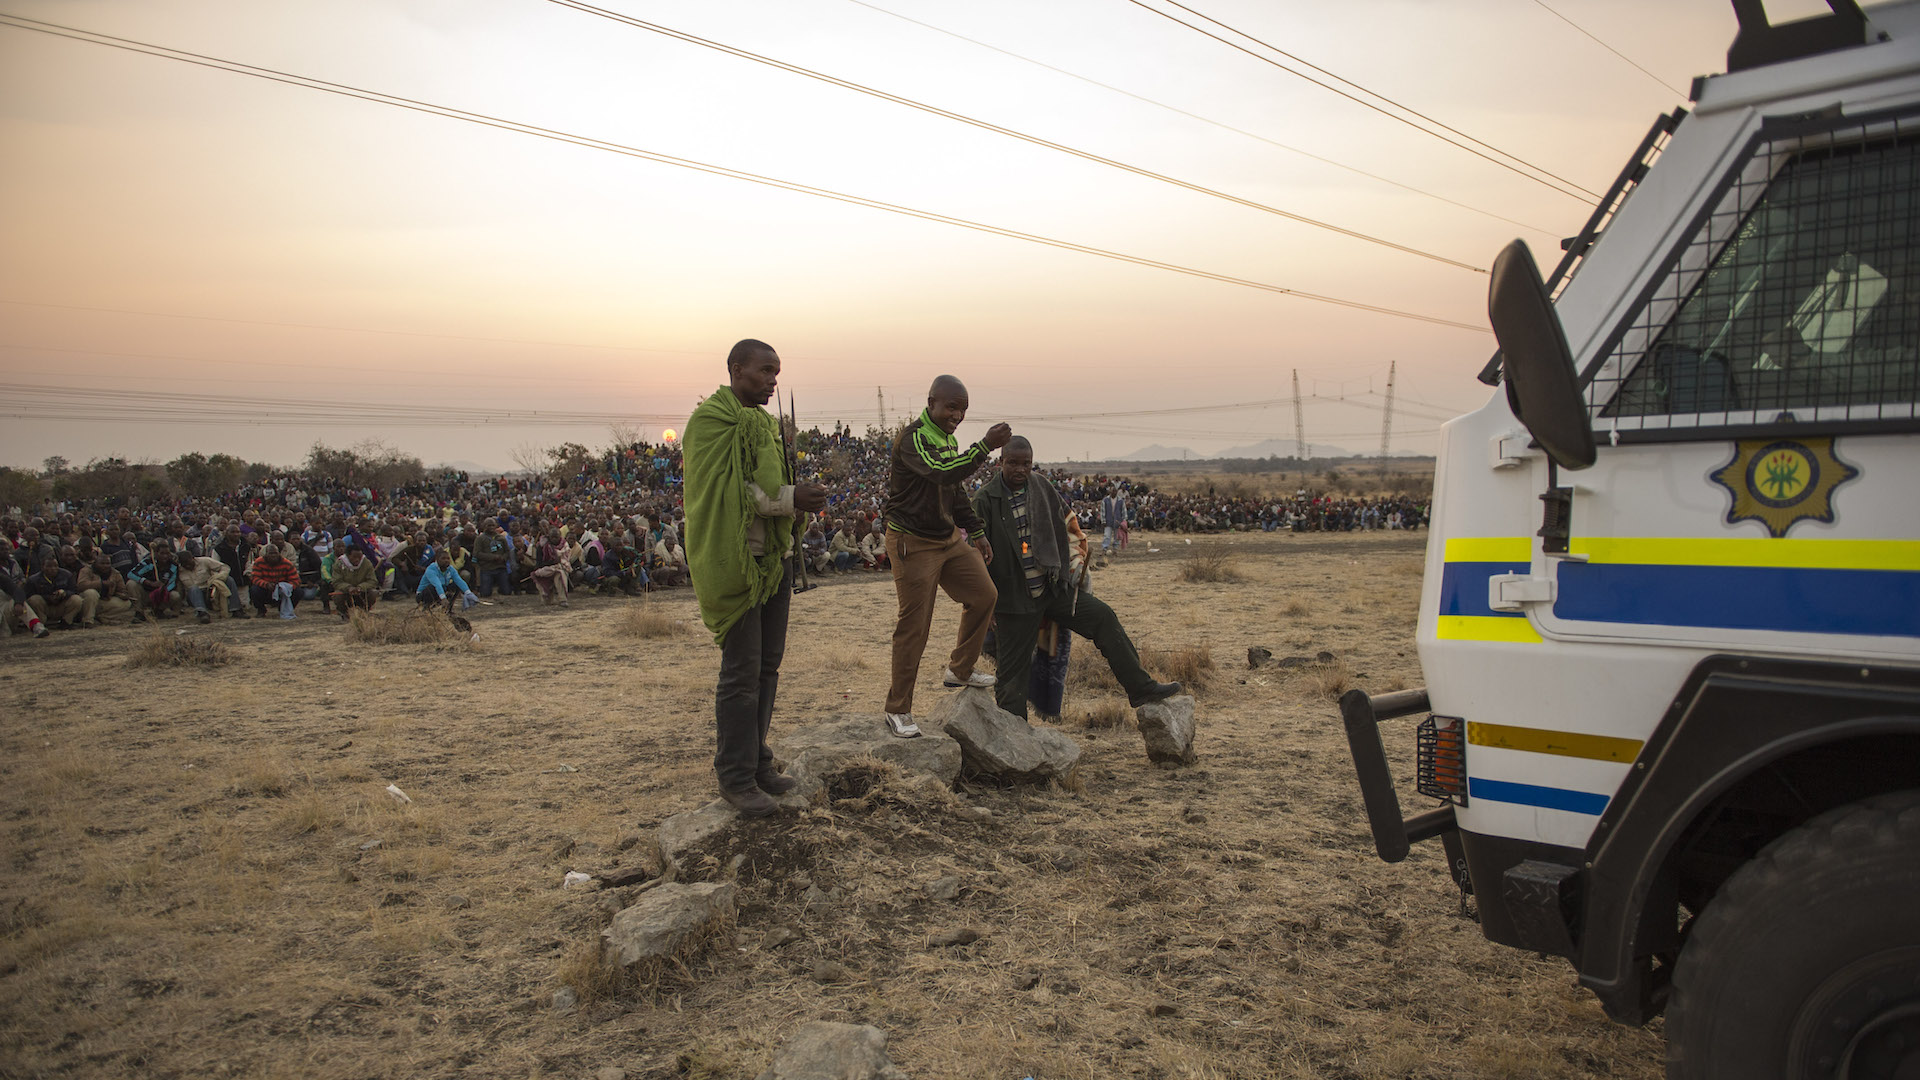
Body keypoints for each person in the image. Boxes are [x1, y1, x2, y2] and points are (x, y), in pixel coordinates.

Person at [683, 338, 827, 817]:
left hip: (774, 560)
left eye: (776, 373)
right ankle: (736, 777)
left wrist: (795, 497)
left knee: (767, 667)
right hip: (738, 561)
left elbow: (768, 480)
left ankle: (758, 761)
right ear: (735, 369)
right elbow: (732, 491)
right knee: (741, 673)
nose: (772, 381)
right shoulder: (710, 422)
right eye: (764, 371)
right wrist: (790, 498)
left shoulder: (765, 424)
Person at [973, 437, 1183, 719]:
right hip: (1014, 600)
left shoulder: (1041, 487)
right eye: (1013, 463)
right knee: (1012, 680)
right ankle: (1014, 737)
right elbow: (975, 557)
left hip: (1051, 587)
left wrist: (1073, 565)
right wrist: (985, 605)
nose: (1020, 469)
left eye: (1026, 464)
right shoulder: (986, 499)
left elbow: (1068, 524)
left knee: (1103, 617)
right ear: (1001, 462)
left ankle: (1141, 688)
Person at [882, 374, 1012, 738]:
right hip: (912, 542)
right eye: (952, 407)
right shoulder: (914, 439)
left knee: (984, 595)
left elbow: (954, 491)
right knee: (914, 627)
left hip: (947, 538)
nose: (957, 415)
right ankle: (897, 709)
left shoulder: (948, 439)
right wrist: (985, 446)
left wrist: (977, 532)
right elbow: (941, 473)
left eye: (963, 410)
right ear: (931, 404)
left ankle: (960, 669)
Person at [248, 543, 303, 619]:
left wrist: (285, 587)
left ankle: (284, 609)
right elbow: (255, 578)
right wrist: (266, 584)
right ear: (266, 554)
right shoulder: (259, 562)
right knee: (254, 590)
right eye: (271, 553)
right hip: (266, 590)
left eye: (275, 553)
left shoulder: (287, 563)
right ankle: (261, 610)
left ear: (279, 554)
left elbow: (296, 580)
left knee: (298, 591)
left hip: (283, 592)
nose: (273, 556)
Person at [178, 551, 234, 623]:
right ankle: (203, 613)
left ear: (193, 558)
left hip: (209, 590)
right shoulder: (180, 571)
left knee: (229, 579)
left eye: (189, 563)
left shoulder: (204, 561)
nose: (188, 566)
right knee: (193, 589)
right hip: (194, 595)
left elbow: (224, 567)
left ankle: (235, 608)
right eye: (185, 564)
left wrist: (219, 576)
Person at [331, 543, 379, 617]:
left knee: (374, 593)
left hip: (362, 593)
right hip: (346, 593)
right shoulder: (339, 564)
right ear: (348, 556)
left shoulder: (366, 563)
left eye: (359, 557)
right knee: (337, 595)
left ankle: (364, 611)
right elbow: (336, 582)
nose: (357, 559)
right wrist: (348, 588)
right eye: (354, 557)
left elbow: (373, 581)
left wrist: (361, 587)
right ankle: (344, 612)